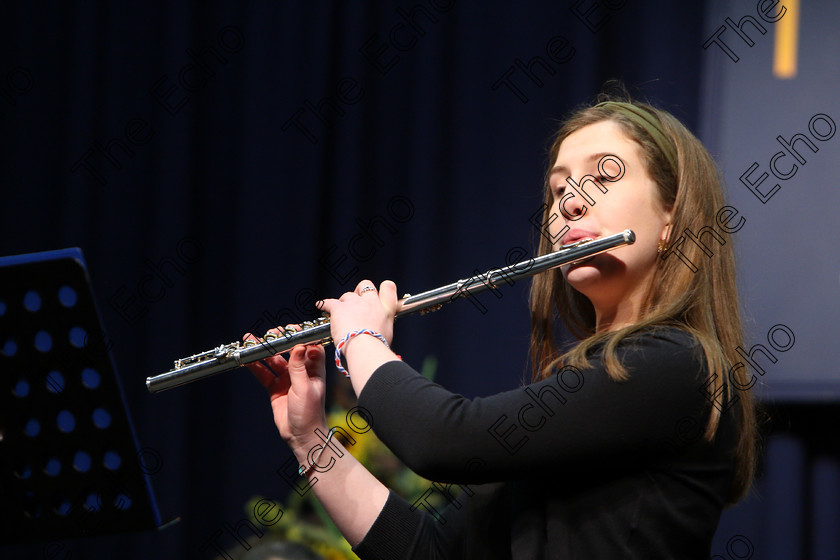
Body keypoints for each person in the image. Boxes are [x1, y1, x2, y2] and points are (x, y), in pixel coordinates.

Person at [246, 90, 757, 559]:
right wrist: (310, 438)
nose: (571, 201)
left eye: (605, 175)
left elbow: (446, 442)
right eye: (560, 189)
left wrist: (360, 339)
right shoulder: (589, 389)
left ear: (672, 218)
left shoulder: (674, 363)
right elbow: (430, 552)